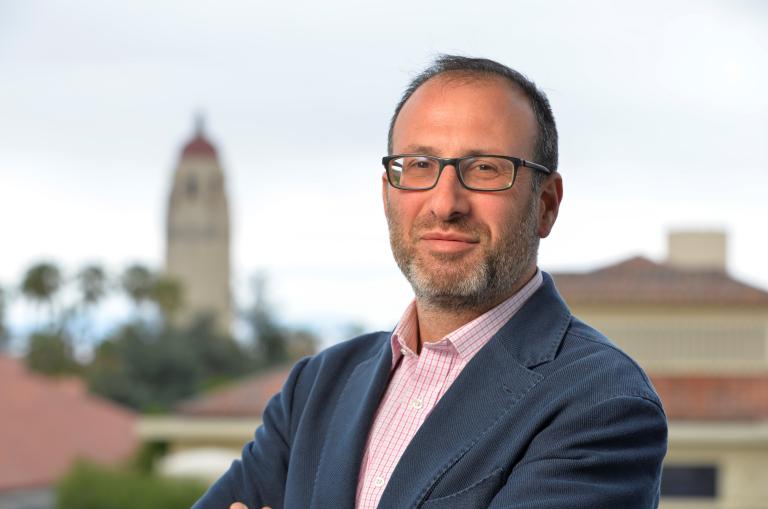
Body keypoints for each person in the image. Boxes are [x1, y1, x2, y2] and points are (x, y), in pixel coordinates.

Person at [192, 55, 668, 509]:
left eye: (484, 169)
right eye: (419, 166)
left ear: (546, 203)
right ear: (387, 194)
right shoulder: (316, 389)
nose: (445, 203)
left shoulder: (602, 404)